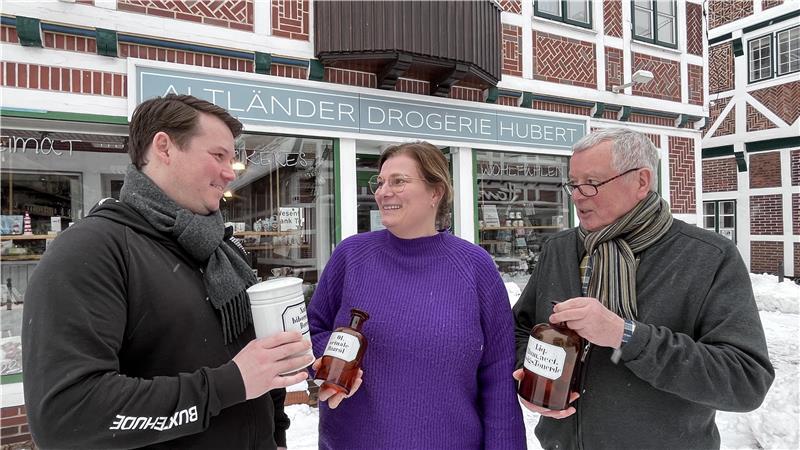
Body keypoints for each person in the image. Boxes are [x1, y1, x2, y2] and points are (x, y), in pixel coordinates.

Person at [22, 94, 313, 449]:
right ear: (164, 148)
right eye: (218, 155)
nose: (229, 172)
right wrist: (228, 383)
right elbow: (66, 417)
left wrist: (276, 433)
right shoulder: (93, 249)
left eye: (232, 159)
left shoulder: (224, 251)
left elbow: (258, 365)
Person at [513, 128, 774, 449]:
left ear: (641, 181)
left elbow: (745, 381)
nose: (578, 194)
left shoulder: (708, 257)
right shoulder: (559, 248)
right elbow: (519, 329)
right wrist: (531, 375)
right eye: (573, 183)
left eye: (591, 183)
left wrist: (626, 336)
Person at [307, 142, 526, 449]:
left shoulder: (475, 267)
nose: (383, 192)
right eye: (380, 182)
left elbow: (498, 374)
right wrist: (327, 362)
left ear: (435, 192)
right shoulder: (351, 256)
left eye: (398, 181)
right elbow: (310, 332)